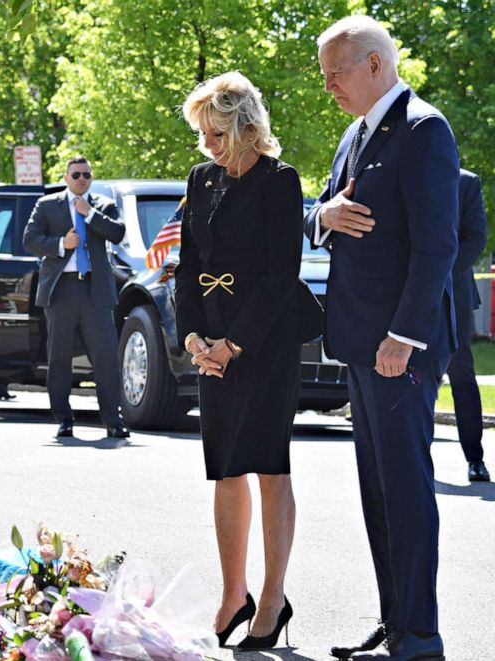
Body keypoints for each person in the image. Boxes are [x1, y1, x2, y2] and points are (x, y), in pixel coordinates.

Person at [304, 16, 458, 661]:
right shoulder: (354, 133)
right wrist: (321, 216)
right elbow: (323, 207)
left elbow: (437, 246)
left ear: (373, 64)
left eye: (335, 72)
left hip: (399, 348)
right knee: (377, 490)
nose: (329, 85)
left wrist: (403, 335)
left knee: (405, 486)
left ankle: (419, 633)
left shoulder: (424, 129)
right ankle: (395, 620)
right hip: (360, 343)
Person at [175, 72, 322, 651]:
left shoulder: (280, 180)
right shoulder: (201, 179)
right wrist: (194, 340)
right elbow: (186, 267)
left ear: (245, 125)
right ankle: (232, 593)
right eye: (202, 134)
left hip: (264, 341)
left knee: (267, 464)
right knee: (224, 466)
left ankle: (272, 596)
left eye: (216, 132)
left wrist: (233, 345)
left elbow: (281, 272)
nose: (208, 144)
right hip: (210, 342)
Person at [23, 156, 129, 439]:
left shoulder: (102, 205)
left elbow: (118, 233)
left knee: (105, 357)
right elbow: (30, 239)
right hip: (62, 290)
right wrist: (61, 244)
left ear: (91, 178)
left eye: (86, 174)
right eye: (76, 174)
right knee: (59, 357)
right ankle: (63, 418)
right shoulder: (48, 205)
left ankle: (112, 420)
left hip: (95, 290)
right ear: (66, 177)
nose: (81, 178)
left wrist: (90, 214)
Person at [449, 170, 490, 482]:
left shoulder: (467, 182)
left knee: (462, 374)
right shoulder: (404, 173)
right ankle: (411, 459)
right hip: (403, 292)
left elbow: (475, 238)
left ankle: (475, 458)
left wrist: (438, 272)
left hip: (455, 294)